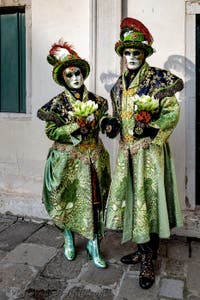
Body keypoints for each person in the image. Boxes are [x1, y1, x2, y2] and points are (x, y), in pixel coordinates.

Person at [105, 18, 184, 288]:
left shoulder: (159, 79)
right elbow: (116, 118)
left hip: (149, 154)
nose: (131, 57)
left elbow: (171, 111)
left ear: (144, 54)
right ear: (122, 55)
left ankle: (150, 259)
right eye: (127, 53)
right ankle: (142, 250)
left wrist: (153, 130)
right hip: (127, 155)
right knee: (133, 202)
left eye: (136, 52)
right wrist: (110, 124)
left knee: (148, 203)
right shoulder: (117, 87)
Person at [37, 39, 118, 268]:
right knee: (66, 201)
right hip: (66, 163)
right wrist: (74, 126)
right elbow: (51, 131)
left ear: (83, 74)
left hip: (93, 160)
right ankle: (69, 238)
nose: (75, 79)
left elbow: (102, 120)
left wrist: (108, 124)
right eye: (69, 75)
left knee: (94, 202)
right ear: (63, 78)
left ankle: (94, 243)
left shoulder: (97, 101)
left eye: (78, 74)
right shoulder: (56, 105)